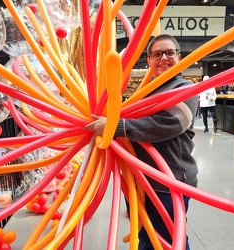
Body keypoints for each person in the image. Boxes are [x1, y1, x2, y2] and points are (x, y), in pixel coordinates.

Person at [84, 34, 198, 250]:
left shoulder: (184, 88)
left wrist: (115, 126)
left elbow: (169, 123)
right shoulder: (147, 92)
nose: (163, 58)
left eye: (169, 53)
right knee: (146, 237)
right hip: (141, 181)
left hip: (168, 181)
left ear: (179, 57)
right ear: (149, 61)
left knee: (170, 240)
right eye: (157, 54)